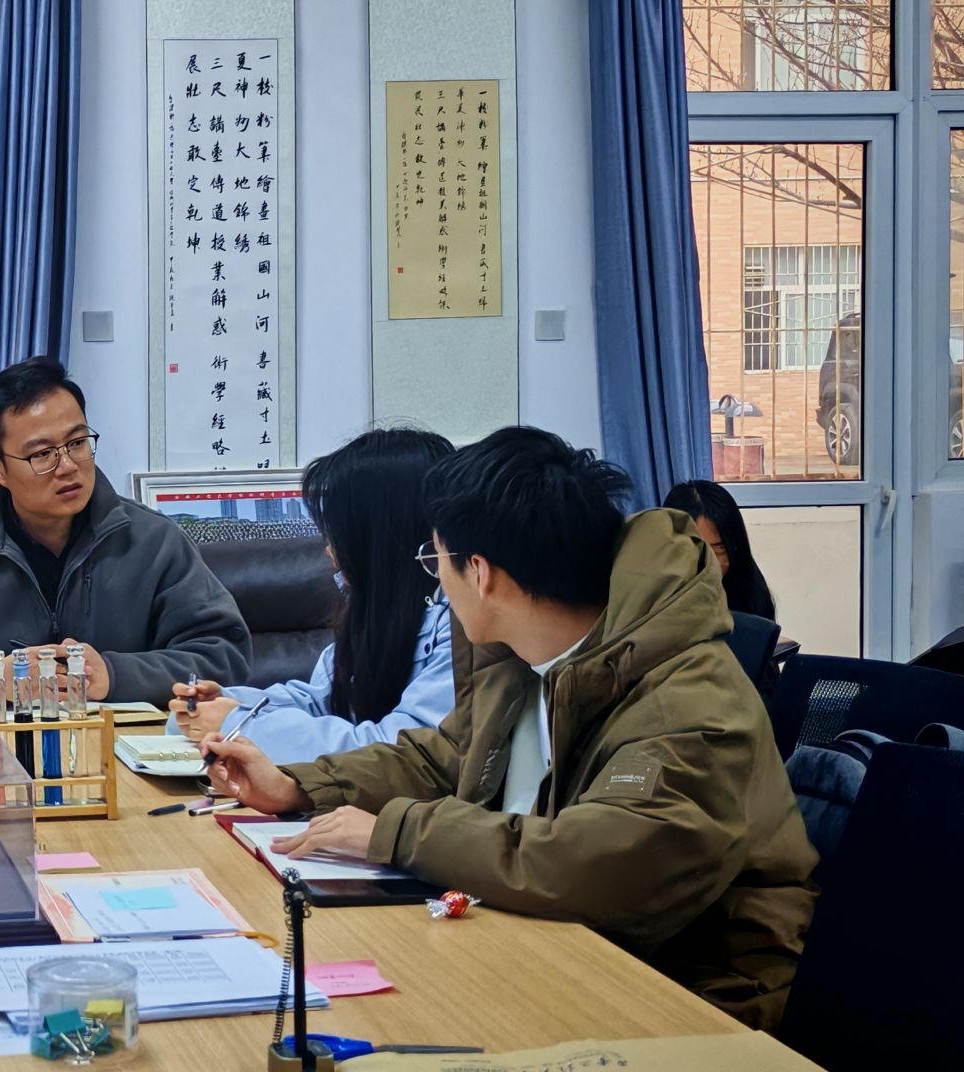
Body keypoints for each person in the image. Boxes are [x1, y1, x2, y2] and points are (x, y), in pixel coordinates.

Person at [201, 427, 816, 1028]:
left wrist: (397, 831)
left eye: (435, 561)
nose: (437, 584)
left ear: (482, 572)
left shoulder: (687, 696)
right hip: (541, 943)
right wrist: (297, 785)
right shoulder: (518, 660)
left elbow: (603, 866)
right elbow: (443, 757)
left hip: (684, 991)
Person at [0, 356, 250, 704]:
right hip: (1, 747)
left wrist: (114, 675)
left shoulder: (155, 543)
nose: (68, 466)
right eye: (42, 454)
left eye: (77, 443)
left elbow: (223, 655)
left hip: (123, 745)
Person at [169, 428, 456, 762]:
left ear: (378, 539)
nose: (330, 552)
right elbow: (320, 700)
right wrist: (226, 703)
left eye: (339, 536)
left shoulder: (460, 626)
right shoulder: (375, 614)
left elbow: (397, 751)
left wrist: (237, 724)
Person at [663, 479, 777, 620]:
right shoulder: (653, 602)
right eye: (697, 549)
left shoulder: (752, 597)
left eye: (720, 548)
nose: (710, 563)